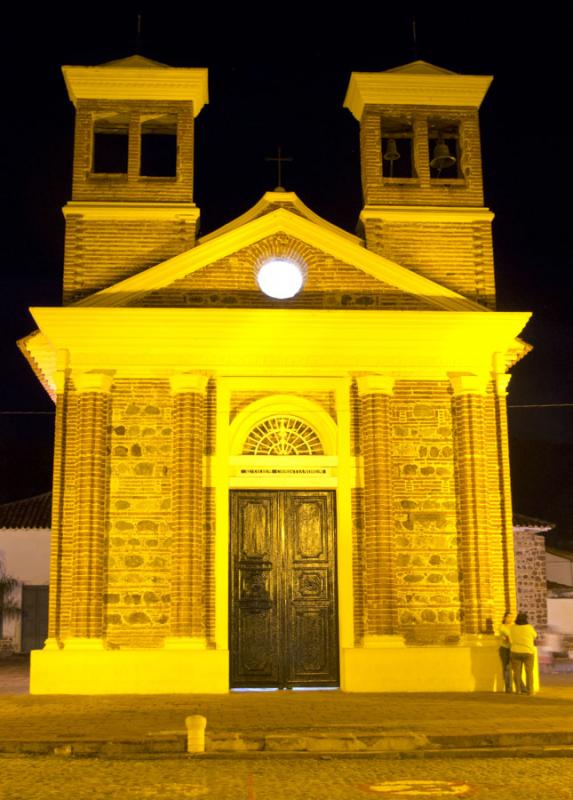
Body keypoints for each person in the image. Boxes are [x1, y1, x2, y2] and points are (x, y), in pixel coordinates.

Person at [509, 612, 538, 695]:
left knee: (517, 672)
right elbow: (535, 635)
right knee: (529, 672)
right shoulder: (529, 627)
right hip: (528, 651)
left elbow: (510, 637)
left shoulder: (513, 627)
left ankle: (518, 690)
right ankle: (530, 691)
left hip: (515, 651)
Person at [498, 611, 514, 692]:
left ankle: (513, 686)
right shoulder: (502, 627)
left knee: (513, 668)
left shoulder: (514, 626)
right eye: (508, 617)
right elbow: (506, 636)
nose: (510, 619)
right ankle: (508, 687)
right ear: (504, 618)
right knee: (506, 667)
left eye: (511, 617)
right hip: (504, 649)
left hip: (512, 648)